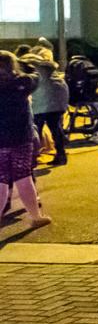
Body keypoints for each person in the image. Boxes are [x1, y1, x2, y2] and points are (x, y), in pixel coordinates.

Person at [0, 51, 52, 228]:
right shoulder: (22, 82)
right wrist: (25, 64)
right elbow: (36, 75)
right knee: (24, 177)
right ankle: (36, 217)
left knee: (1, 179)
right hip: (21, 137)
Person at [29, 52, 69, 166]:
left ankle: (33, 158)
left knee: (36, 131)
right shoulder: (51, 71)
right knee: (56, 128)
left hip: (41, 105)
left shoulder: (32, 70)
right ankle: (61, 155)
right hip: (58, 103)